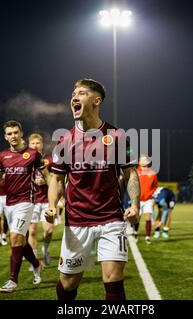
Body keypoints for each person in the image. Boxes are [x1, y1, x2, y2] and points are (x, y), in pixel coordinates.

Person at [46, 79, 140, 300]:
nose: (74, 97)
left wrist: (135, 204)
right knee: (68, 284)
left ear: (96, 100)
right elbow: (57, 179)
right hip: (77, 220)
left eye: (81, 93)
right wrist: (51, 206)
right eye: (73, 93)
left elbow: (130, 174)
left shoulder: (117, 136)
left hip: (111, 218)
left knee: (113, 278)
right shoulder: (65, 140)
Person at [0, 120, 50, 293]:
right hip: (9, 203)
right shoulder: (2, 156)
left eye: (15, 132)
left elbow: (48, 177)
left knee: (14, 238)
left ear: (21, 133)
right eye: (9, 133)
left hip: (26, 202)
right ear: (5, 137)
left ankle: (13, 280)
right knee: (21, 240)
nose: (13, 136)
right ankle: (36, 264)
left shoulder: (33, 154)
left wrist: (54, 200)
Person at [27, 133, 54, 265]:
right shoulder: (25, 161)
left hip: (46, 200)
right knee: (32, 231)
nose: (35, 145)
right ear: (29, 145)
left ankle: (46, 248)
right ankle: (34, 259)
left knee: (48, 230)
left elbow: (55, 178)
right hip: (32, 201)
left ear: (42, 145)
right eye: (32, 143)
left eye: (37, 143)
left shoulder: (49, 160)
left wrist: (45, 180)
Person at [136, 155, 158, 244]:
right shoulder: (136, 172)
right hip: (137, 200)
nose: (145, 160)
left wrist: (153, 197)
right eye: (143, 159)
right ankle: (135, 232)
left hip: (148, 199)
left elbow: (155, 186)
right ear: (139, 162)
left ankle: (147, 237)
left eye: (146, 159)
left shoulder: (152, 173)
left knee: (148, 217)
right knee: (137, 218)